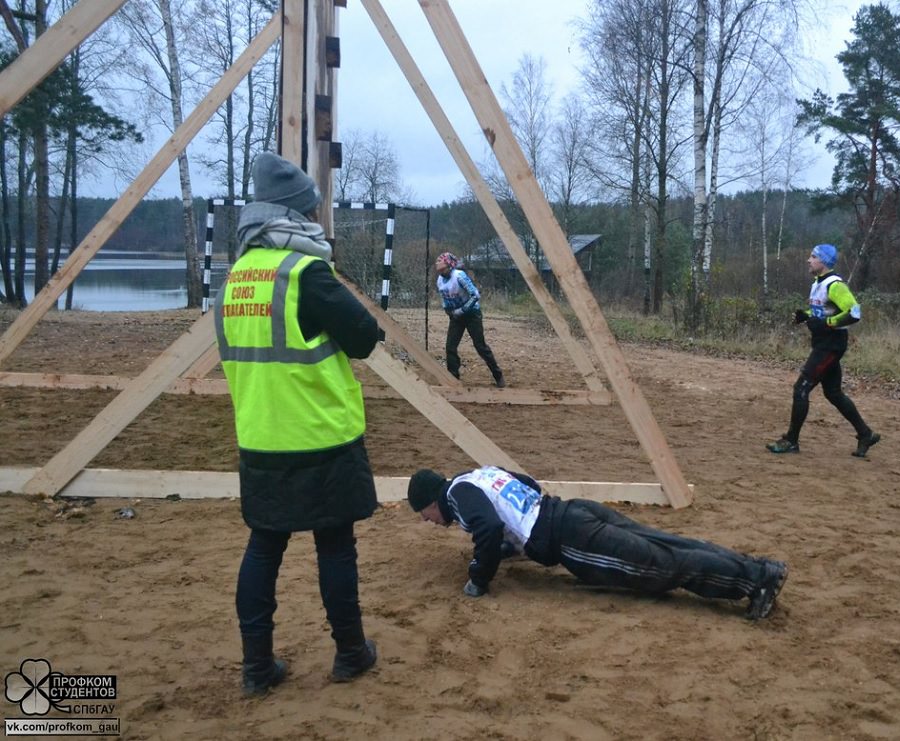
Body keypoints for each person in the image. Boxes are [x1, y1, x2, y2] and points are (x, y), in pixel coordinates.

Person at [215, 152, 379, 697]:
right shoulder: (305, 273)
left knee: (264, 548)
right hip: (321, 436)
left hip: (260, 437)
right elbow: (363, 337)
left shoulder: (235, 279)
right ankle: (350, 653)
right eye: (310, 210)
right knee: (335, 546)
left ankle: (256, 667)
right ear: (294, 215)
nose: (315, 218)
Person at [406, 465, 789, 620]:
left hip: (571, 537)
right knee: (666, 544)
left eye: (425, 514)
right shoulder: (476, 475)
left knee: (661, 566)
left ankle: (757, 580)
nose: (429, 521)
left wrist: (478, 578)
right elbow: (526, 485)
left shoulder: (456, 496)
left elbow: (487, 529)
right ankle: (758, 569)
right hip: (573, 511)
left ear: (431, 501)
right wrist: (514, 542)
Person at [767, 243, 881, 457]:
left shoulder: (835, 284)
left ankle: (791, 441)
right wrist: (807, 315)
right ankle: (865, 434)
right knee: (833, 393)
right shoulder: (818, 284)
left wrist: (827, 323)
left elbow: (854, 313)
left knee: (801, 389)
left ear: (824, 261)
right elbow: (825, 310)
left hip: (830, 345)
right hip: (824, 344)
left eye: (813, 256)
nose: (808, 260)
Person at [434, 251, 505, 387]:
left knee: (480, 346)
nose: (441, 273)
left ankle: (498, 375)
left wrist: (462, 310)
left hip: (472, 314)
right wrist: (447, 309)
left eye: (443, 269)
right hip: (456, 316)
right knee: (450, 347)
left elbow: (475, 295)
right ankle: (453, 378)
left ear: (450, 266)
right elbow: (444, 297)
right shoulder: (440, 280)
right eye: (439, 270)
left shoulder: (459, 276)